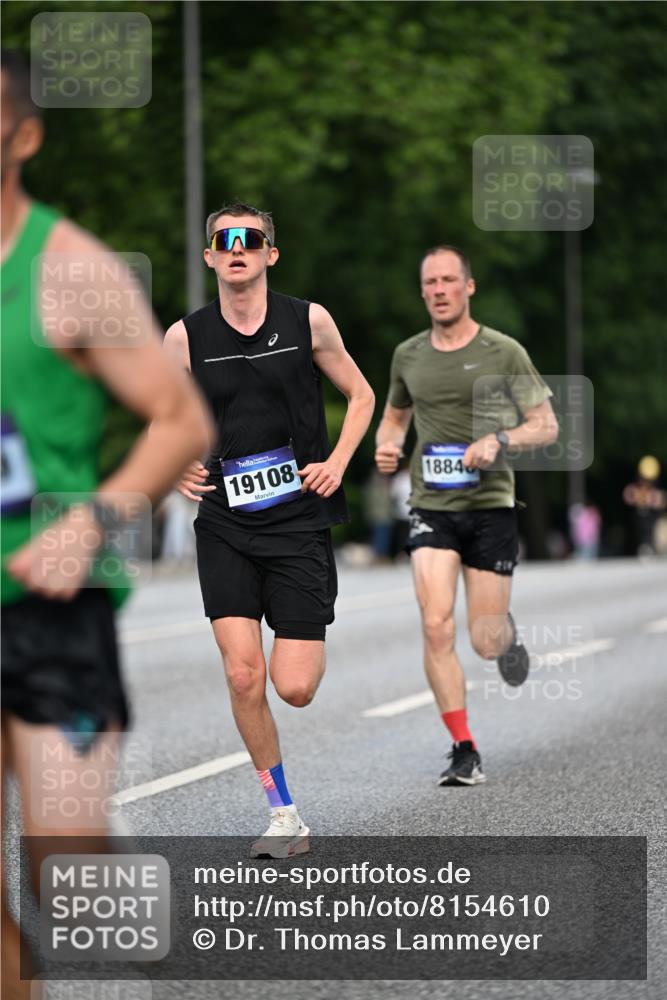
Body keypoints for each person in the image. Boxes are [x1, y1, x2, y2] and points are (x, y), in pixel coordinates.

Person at [0, 50, 213, 999]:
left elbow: (181, 422)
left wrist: (92, 521)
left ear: (25, 136)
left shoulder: (69, 270)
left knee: (65, 872)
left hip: (53, 614)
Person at [164, 202, 374, 857]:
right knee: (243, 676)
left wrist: (337, 463)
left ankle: (285, 798)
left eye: (249, 240)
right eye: (222, 241)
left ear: (269, 253)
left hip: (297, 522)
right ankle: (283, 814)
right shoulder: (184, 337)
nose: (236, 249)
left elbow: (361, 395)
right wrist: (174, 467)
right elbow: (163, 416)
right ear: (208, 258)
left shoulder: (306, 320)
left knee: (295, 687)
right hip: (224, 521)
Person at [375, 245, 558, 786]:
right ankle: (463, 747)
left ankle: (504, 634)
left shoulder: (503, 352)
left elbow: (546, 425)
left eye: (448, 280)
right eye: (429, 282)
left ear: (468, 287)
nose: (438, 289)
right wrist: (387, 447)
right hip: (432, 504)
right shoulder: (408, 355)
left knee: (483, 639)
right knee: (435, 625)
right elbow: (394, 417)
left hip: (490, 506)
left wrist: (500, 439)